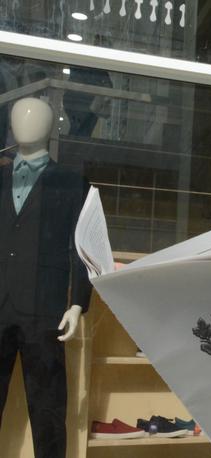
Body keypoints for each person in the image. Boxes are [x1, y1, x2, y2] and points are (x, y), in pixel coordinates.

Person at [0, 97, 91, 458]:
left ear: (51, 127)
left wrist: (78, 303)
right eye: (18, 116)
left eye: (36, 118)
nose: (26, 123)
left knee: (49, 409)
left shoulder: (72, 181)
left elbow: (82, 247)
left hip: (45, 307)